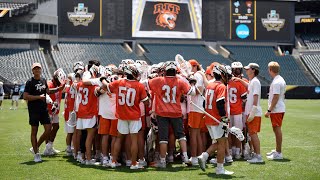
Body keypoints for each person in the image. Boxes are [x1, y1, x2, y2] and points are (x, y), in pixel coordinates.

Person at [148, 61, 196, 168]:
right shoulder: (180, 81)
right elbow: (192, 92)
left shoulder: (159, 80)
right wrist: (191, 82)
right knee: (181, 135)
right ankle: (185, 157)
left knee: (163, 138)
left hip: (162, 112)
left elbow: (145, 84)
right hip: (176, 112)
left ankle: (163, 161)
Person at [100, 64, 149, 170]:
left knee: (119, 139)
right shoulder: (139, 85)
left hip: (122, 115)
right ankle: (133, 163)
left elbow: (106, 86)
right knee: (134, 140)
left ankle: (113, 161)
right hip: (134, 115)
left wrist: (103, 79)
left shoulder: (120, 82)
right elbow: (146, 102)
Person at [197, 64, 234, 175]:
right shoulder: (221, 86)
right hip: (217, 118)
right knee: (222, 143)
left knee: (219, 142)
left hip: (209, 118)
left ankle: (204, 156)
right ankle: (219, 169)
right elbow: (220, 102)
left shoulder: (210, 85)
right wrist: (223, 117)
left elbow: (204, 102)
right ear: (222, 74)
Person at [23, 63, 57, 162]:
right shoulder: (29, 82)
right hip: (33, 110)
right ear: (32, 71)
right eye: (35, 69)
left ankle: (35, 147)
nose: (37, 70)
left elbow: (48, 91)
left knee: (48, 129)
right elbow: (25, 96)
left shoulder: (43, 80)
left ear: (41, 70)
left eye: (38, 68)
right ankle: (37, 154)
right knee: (34, 131)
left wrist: (59, 89)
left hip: (43, 109)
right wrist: (38, 97)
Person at [234, 63, 263, 163]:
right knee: (251, 134)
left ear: (253, 70)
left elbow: (256, 97)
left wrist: (253, 111)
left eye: (248, 69)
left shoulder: (255, 82)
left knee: (253, 134)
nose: (246, 71)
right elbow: (249, 86)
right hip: (251, 112)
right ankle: (256, 154)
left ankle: (258, 156)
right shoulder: (252, 81)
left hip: (253, 113)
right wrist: (239, 80)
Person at [265, 61, 286, 160]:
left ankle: (278, 152)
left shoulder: (277, 81)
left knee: (277, 130)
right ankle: (277, 150)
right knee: (276, 129)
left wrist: (269, 110)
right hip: (278, 108)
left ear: (270, 70)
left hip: (277, 109)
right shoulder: (278, 79)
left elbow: (276, 97)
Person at [43, 69, 66, 156]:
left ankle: (50, 146)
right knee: (48, 129)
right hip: (48, 110)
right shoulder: (49, 84)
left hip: (55, 111)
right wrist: (58, 89)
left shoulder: (59, 83)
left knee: (56, 127)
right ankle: (47, 148)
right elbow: (46, 92)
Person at [187, 59, 205, 166]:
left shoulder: (197, 75)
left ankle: (194, 158)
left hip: (195, 107)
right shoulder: (199, 74)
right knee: (197, 134)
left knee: (193, 134)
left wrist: (190, 85)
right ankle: (199, 156)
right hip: (198, 107)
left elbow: (198, 90)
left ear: (194, 66)